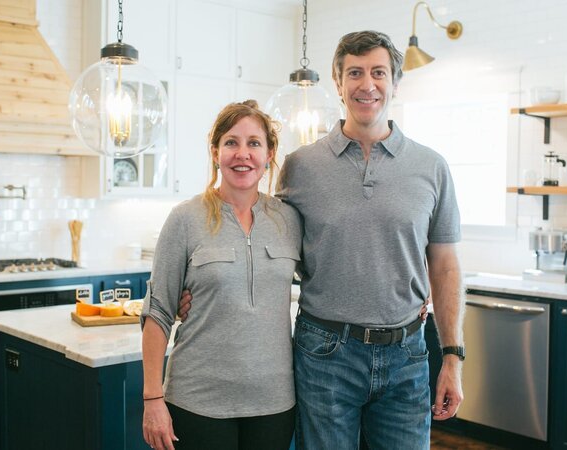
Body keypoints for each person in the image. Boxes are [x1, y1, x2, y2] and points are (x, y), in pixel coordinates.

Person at [275, 30, 465, 449]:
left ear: (395, 82)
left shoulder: (431, 166)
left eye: (378, 72)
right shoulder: (299, 167)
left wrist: (453, 356)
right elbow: (272, 253)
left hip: (407, 354)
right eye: (355, 73)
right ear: (338, 82)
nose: (367, 84)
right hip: (324, 354)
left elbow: (446, 266)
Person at [140, 100, 302, 450]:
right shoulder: (185, 219)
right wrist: (152, 399)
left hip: (274, 401)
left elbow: (327, 277)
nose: (242, 154)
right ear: (215, 152)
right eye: (231, 142)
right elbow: (158, 311)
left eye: (254, 143)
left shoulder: (288, 220)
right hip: (198, 400)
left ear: (269, 154)